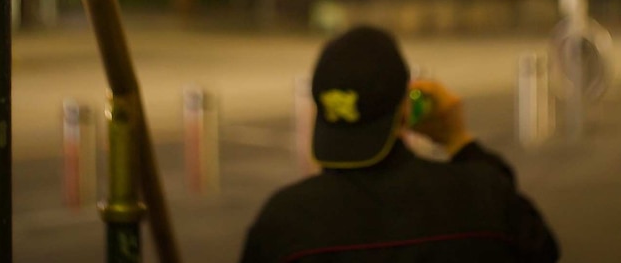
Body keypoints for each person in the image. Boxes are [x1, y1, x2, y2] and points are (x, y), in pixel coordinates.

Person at [239, 25, 560, 263]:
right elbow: (541, 249)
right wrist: (459, 141)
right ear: (404, 108)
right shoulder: (482, 197)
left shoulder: (283, 222)